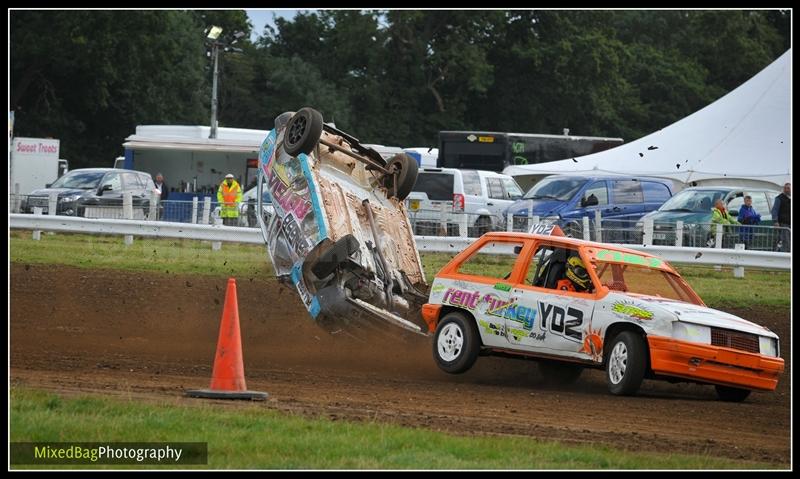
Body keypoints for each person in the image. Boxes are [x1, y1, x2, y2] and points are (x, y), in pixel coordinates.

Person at [771, 182, 791, 252]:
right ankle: (786, 257)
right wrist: (775, 221)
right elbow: (774, 210)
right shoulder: (779, 198)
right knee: (786, 242)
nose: (786, 190)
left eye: (788, 188)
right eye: (785, 188)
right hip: (783, 224)